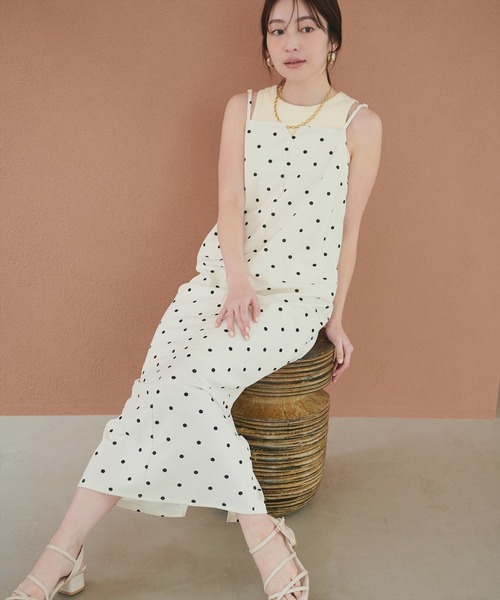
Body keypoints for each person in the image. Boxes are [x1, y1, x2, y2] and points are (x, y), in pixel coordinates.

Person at [5, 0, 382, 599]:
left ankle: (68, 556)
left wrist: (335, 319)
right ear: (265, 43)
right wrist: (236, 280)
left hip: (294, 299)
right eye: (277, 29)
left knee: (184, 384)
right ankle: (256, 535)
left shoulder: (360, 124)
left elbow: (350, 231)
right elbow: (228, 201)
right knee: (155, 390)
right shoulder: (244, 108)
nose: (291, 42)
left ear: (332, 39)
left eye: (307, 28)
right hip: (220, 284)